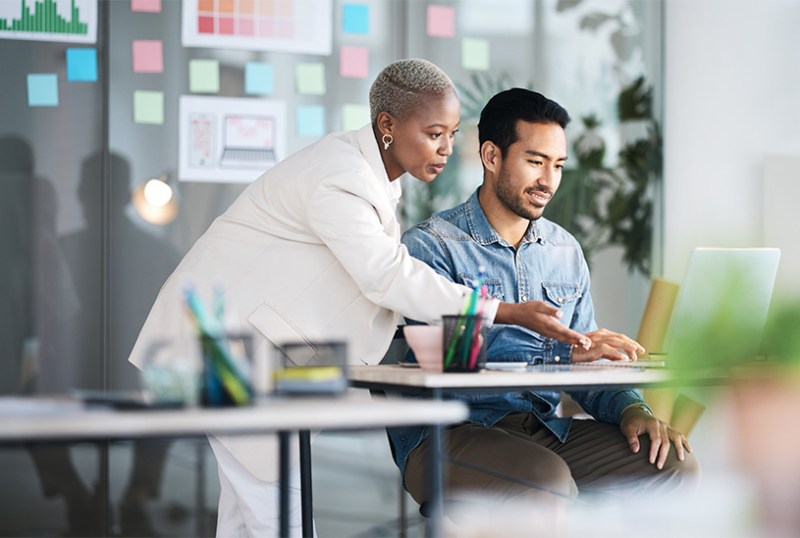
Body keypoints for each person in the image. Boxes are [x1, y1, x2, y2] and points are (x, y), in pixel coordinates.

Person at [128, 59, 592, 536]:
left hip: (243, 354)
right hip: (220, 353)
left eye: (452, 134)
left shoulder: (367, 178)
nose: (447, 149)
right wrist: (506, 311)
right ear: (387, 125)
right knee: (280, 519)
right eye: (434, 133)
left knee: (248, 520)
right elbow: (384, 275)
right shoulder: (341, 176)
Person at [389, 88, 700, 520]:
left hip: (542, 429)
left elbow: (588, 361)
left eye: (558, 165)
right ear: (492, 156)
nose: (549, 181)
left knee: (673, 464)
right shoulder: (432, 247)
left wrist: (632, 408)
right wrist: (560, 352)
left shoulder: (563, 250)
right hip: (449, 433)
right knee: (546, 481)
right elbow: (447, 361)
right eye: (536, 162)